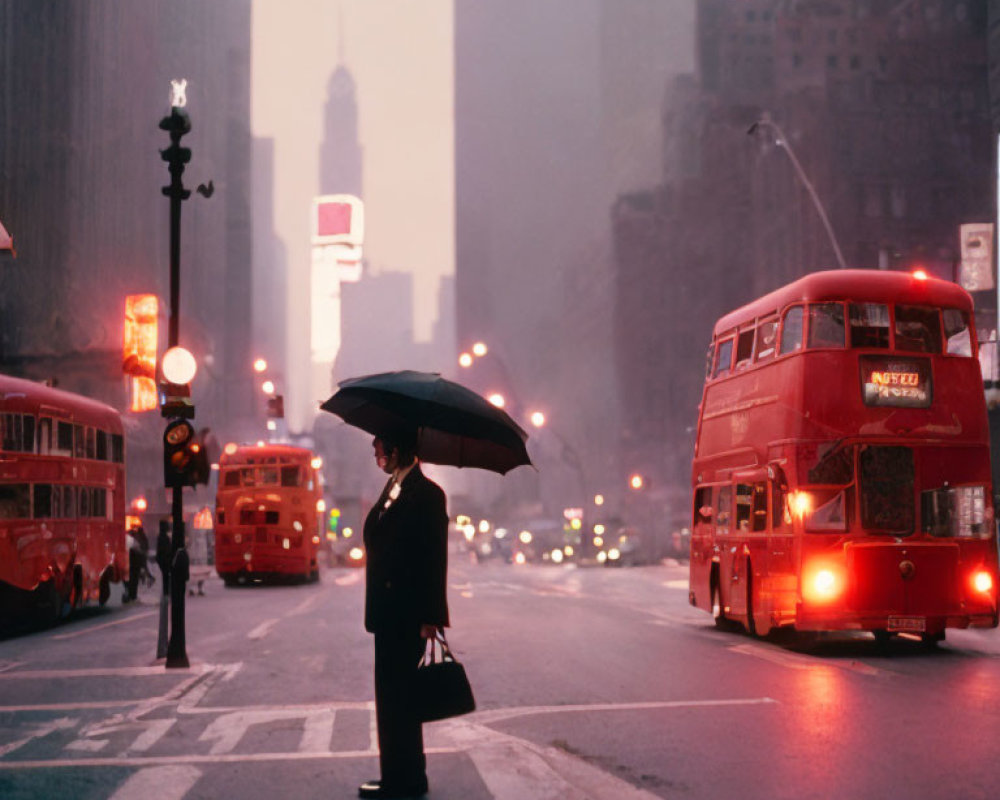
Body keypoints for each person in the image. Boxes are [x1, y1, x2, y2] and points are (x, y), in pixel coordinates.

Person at [358, 429, 449, 800]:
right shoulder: (394, 488)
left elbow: (434, 558)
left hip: (409, 614)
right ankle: (397, 774)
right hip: (387, 613)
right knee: (390, 701)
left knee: (403, 702)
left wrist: (432, 616)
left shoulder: (427, 495)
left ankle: (406, 780)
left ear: (398, 449)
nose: (377, 456)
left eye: (381, 450)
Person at [125, 524, 149, 602]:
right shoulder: (137, 541)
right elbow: (143, 551)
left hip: (132, 565)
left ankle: (130, 596)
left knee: (131, 582)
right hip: (135, 565)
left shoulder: (132, 541)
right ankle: (132, 596)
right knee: (134, 581)